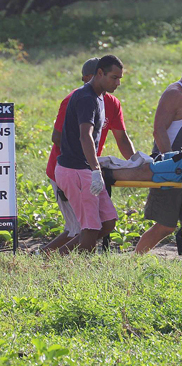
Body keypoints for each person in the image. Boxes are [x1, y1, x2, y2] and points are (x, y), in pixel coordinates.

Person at [42, 58, 135, 255]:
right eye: (114, 78)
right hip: (76, 170)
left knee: (107, 222)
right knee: (85, 230)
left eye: (120, 78)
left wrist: (136, 162)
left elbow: (121, 138)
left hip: (87, 168)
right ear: (98, 74)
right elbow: (83, 136)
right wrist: (94, 169)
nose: (118, 83)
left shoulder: (102, 97)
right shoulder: (84, 98)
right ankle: (52, 260)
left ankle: (50, 257)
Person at [135, 50, 182, 258]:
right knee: (166, 226)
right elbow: (158, 130)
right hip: (170, 169)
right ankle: (134, 261)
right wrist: (171, 162)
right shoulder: (174, 94)